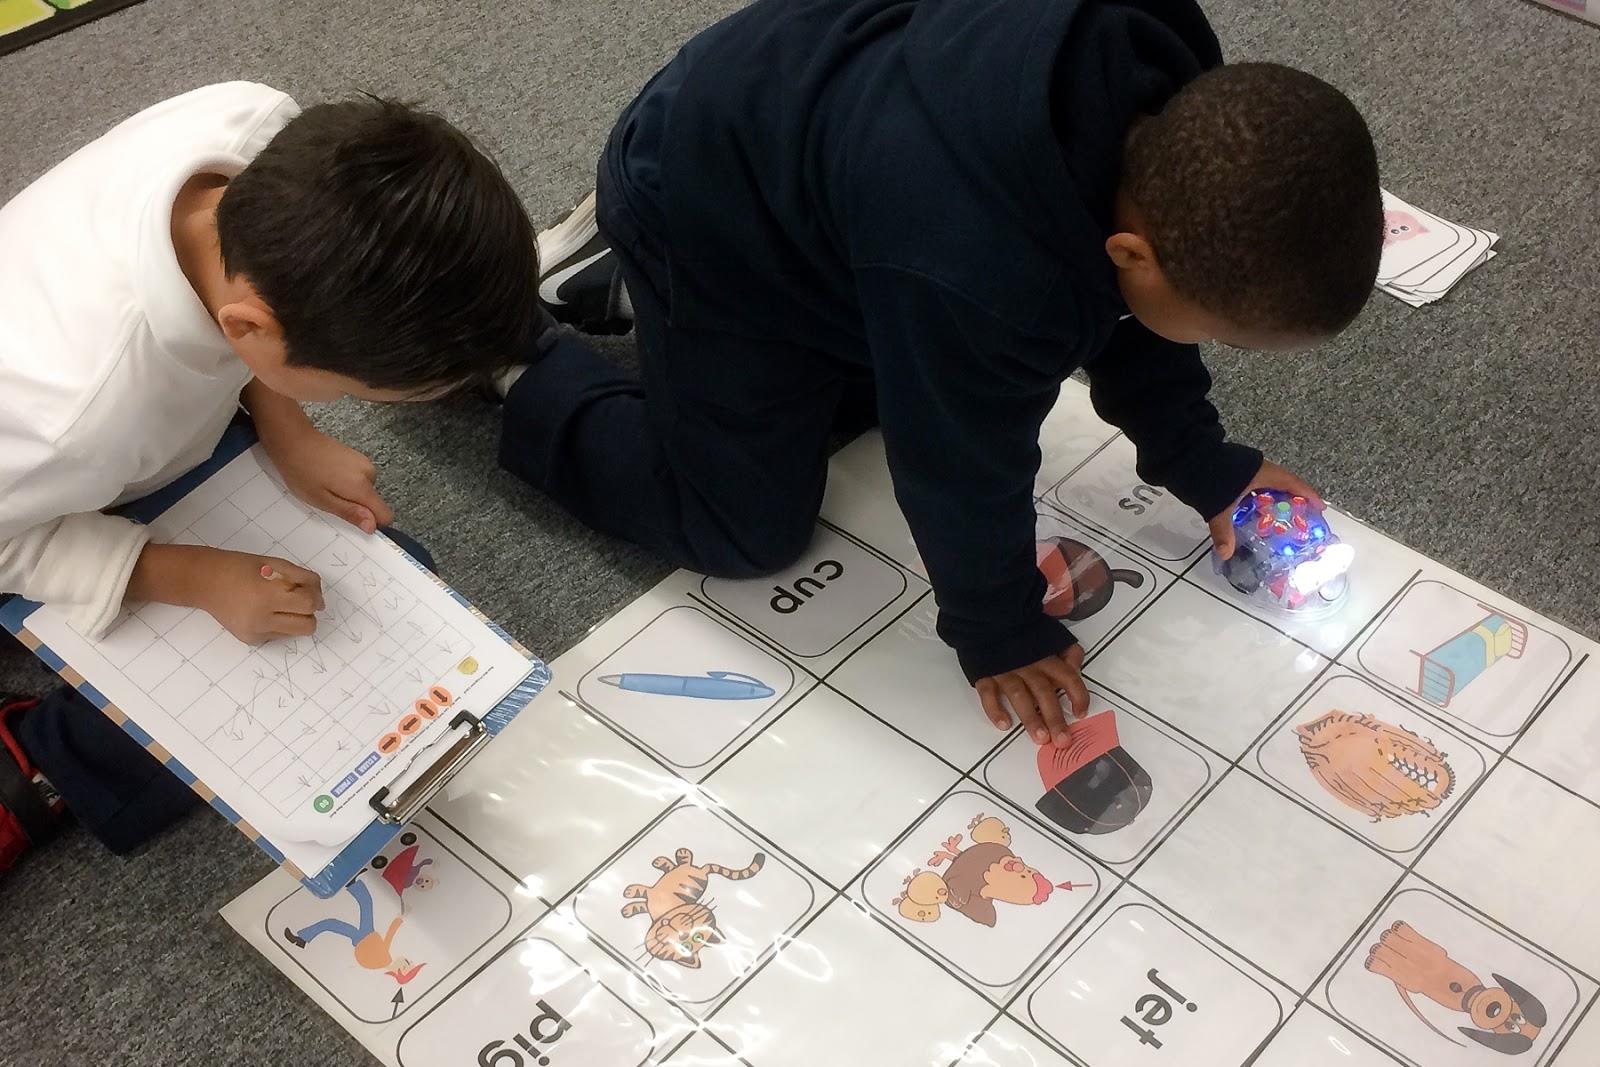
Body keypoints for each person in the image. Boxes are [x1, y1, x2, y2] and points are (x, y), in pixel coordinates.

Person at [497, 0, 1383, 746]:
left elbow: (1130, 307)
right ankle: (514, 355)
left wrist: (1207, 465)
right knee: (745, 530)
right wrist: (997, 628)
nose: (1215, 347)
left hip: (821, 130)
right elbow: (959, 465)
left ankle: (645, 293)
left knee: (890, 388)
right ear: (1129, 249)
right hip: (700, 198)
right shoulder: (984, 273)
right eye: (1222, 336)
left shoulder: (1169, 88)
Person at [0, 83, 542, 862]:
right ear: (248, 330)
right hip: (35, 498)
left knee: (378, 583)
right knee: (264, 661)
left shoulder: (260, 129)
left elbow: (259, 305)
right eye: (354, 391)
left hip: (139, 432)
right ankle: (36, 758)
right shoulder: (70, 416)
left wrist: (290, 425)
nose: (351, 401)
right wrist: (196, 577)